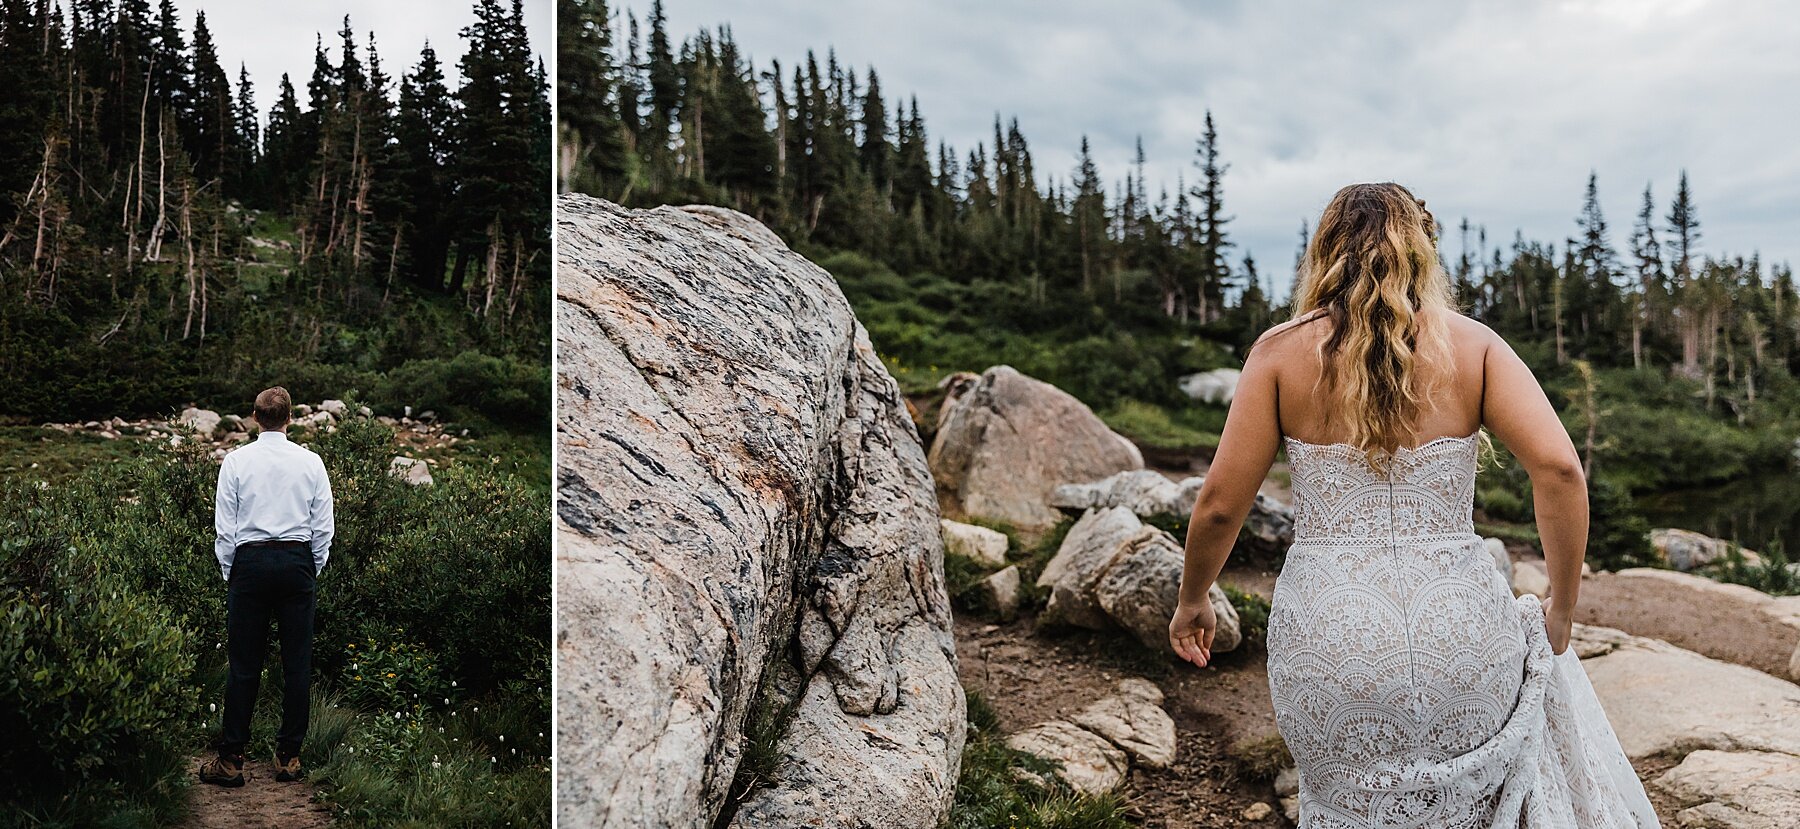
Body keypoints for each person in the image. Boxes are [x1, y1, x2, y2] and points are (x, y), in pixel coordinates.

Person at [1168, 183, 1657, 827]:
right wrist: (1561, 604)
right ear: (1422, 253)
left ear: (1326, 255)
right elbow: (1561, 470)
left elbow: (1221, 506)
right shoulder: (1476, 347)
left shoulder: (1278, 355)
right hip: (1463, 631)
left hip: (1331, 637)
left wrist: (1193, 598)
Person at [199, 387, 334, 787]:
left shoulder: (236, 461)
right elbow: (323, 525)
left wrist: (232, 571)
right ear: (290, 417)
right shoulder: (311, 462)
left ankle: (231, 760)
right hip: (297, 563)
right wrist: (312, 568)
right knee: (297, 664)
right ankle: (289, 757)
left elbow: (225, 526)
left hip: (250, 562)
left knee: (243, 665)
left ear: (254, 417)